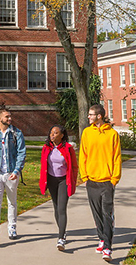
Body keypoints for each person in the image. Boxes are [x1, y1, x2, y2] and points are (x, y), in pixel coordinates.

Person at [79, 104, 122, 262]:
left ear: (99, 116)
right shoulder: (87, 133)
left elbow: (117, 158)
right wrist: (84, 176)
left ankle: (108, 248)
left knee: (107, 215)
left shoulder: (112, 134)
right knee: (96, 214)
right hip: (91, 181)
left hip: (107, 182)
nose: (88, 117)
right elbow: (82, 155)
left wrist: (114, 179)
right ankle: (102, 239)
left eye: (91, 114)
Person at [0, 108, 26, 246]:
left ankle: (12, 227)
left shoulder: (16, 133)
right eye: (7, 117)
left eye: (10, 117)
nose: (9, 119)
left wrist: (17, 170)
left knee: (11, 201)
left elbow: (21, 153)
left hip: (11, 173)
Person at [39, 125, 78, 251]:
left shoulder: (68, 148)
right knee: (55, 206)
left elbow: (74, 167)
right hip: (51, 180)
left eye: (55, 133)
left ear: (62, 135)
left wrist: (73, 180)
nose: (52, 135)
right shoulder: (47, 148)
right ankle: (63, 231)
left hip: (63, 181)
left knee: (62, 208)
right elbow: (43, 165)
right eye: (51, 133)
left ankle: (61, 238)